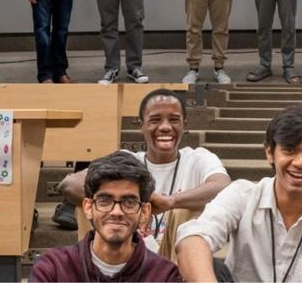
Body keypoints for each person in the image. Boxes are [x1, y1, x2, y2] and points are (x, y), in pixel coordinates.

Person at [176, 103, 302, 282]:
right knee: (211, 266)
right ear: (269, 152)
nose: (300, 162)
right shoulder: (242, 195)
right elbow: (193, 239)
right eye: (289, 150)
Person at [58, 88, 230, 250]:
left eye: (174, 120)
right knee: (90, 203)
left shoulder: (198, 158)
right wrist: (139, 199)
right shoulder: (126, 159)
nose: (165, 127)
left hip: (178, 256)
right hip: (128, 251)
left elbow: (224, 188)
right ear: (141, 125)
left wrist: (171, 202)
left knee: (185, 209)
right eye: (155, 120)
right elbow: (69, 185)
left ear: (184, 124)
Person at [31, 151, 182, 282]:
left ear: (144, 212)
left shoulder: (164, 275)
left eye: (129, 202)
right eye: (105, 201)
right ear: (88, 207)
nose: (116, 212)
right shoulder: (53, 269)